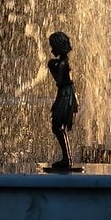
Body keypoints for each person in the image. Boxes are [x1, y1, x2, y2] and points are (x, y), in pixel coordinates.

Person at [47, 30, 79, 170]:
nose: (51, 49)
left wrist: (51, 67)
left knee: (57, 126)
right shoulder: (64, 61)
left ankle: (67, 158)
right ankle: (67, 158)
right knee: (59, 127)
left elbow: (60, 81)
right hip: (67, 93)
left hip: (65, 93)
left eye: (52, 46)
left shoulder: (61, 64)